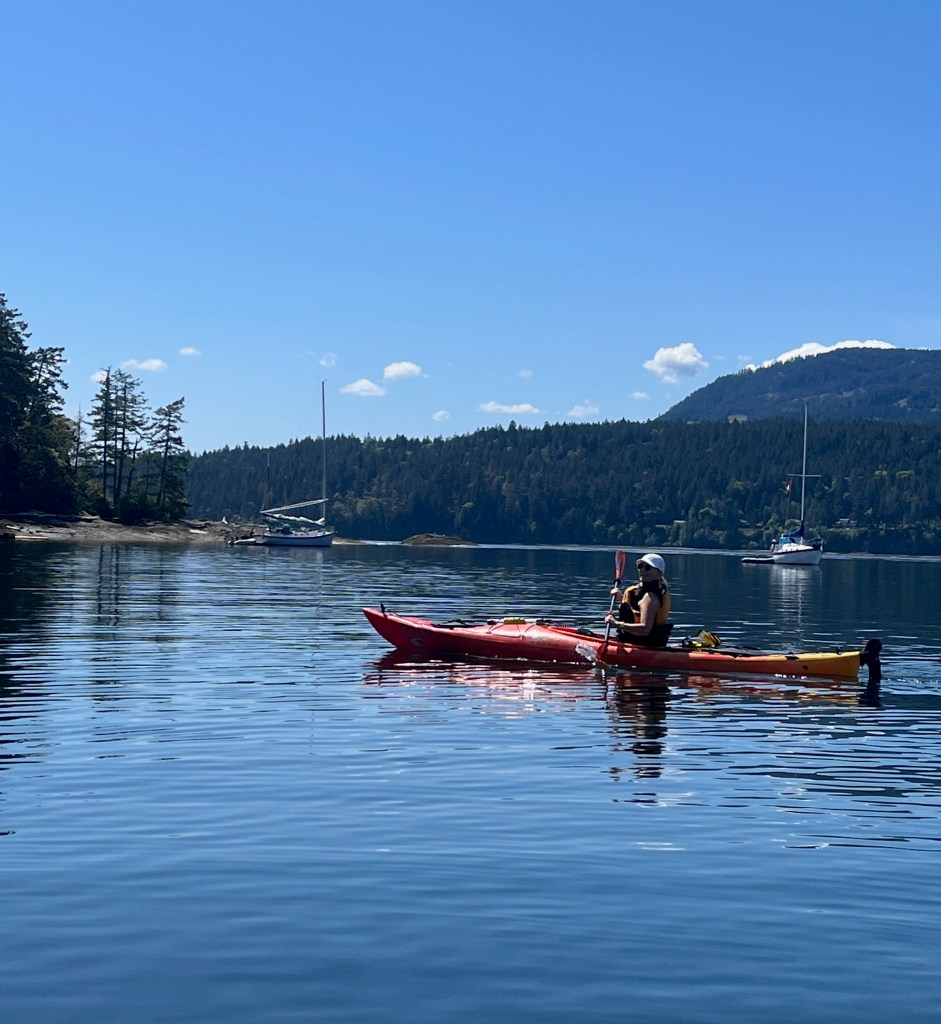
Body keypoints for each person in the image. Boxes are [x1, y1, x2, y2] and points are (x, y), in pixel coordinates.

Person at [604, 552, 672, 647]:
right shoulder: (648, 590)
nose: (642, 570)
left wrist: (616, 623)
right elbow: (638, 609)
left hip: (644, 645)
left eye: (647, 567)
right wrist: (622, 599)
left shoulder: (650, 597)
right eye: (640, 566)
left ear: (658, 573)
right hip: (633, 641)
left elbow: (645, 629)